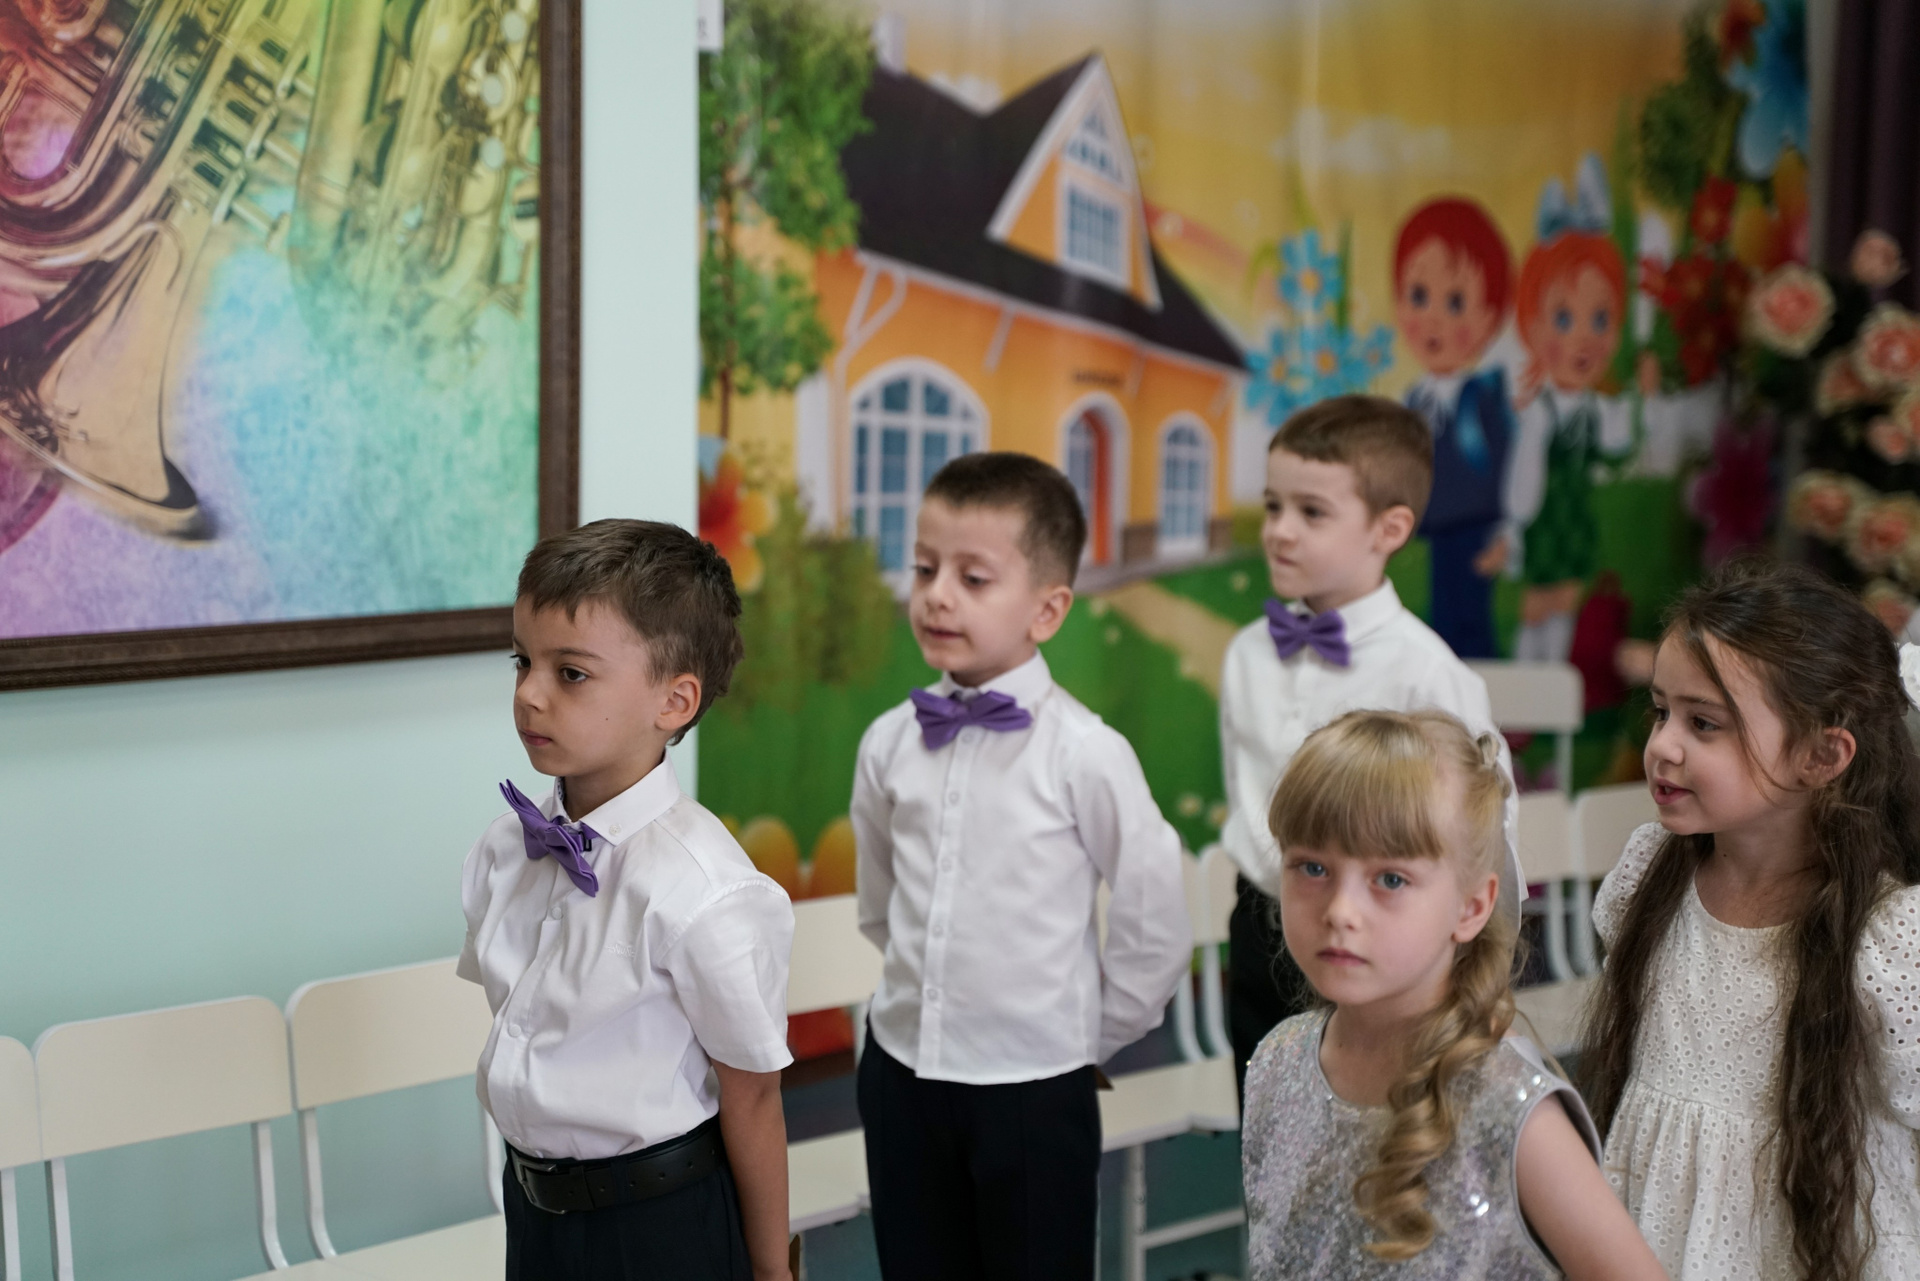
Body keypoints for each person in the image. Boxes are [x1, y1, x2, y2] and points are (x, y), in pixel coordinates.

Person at [851, 452, 1192, 1281]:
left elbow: (1153, 912)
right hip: (901, 1070)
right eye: (924, 568)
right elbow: (880, 900)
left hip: (1035, 1087)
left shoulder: (1086, 753)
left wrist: (1085, 1037)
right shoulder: (889, 741)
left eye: (973, 577)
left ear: (1047, 609)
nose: (937, 594)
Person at [457, 520, 794, 1281]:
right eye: (522, 660)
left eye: (571, 673)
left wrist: (772, 1271)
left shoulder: (706, 889)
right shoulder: (503, 851)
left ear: (674, 701)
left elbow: (753, 1097)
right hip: (533, 1209)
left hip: (659, 1225)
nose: (529, 694)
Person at [1581, 560, 1920, 1280]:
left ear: (1821, 754)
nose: (1662, 745)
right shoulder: (1651, 874)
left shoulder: (1889, 936)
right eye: (1661, 712)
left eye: (1704, 723)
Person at [1241, 709, 1667, 1279]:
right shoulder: (1276, 1062)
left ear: (1471, 907)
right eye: (1312, 868)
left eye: (1390, 879)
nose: (1340, 911)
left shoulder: (1510, 1108)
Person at [1219, 395, 1520, 1091]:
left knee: (1379, 1116)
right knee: (1265, 1111)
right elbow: (1247, 795)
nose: (1279, 531)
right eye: (1272, 507)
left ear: (1389, 529)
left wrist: (1477, 980)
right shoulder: (1245, 655)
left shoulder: (1428, 673)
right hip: (1261, 924)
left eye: (1311, 512)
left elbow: (1490, 835)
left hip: (1382, 937)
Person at [1505, 155, 1670, 666]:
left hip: (1575, 530)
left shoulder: (1597, 409)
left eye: (1599, 319)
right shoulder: (1538, 412)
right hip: (1544, 531)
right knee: (1534, 613)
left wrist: (1645, 397)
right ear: (1532, 324)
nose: (1583, 337)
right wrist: (1514, 531)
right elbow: (1524, 481)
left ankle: (1555, 708)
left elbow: (1621, 443)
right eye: (1563, 317)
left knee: (1563, 614)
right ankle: (1520, 704)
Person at [1394, 195, 1518, 660]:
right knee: (1440, 615)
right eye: (1419, 296)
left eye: (1456, 302)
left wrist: (1505, 531)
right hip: (1435, 528)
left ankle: (1485, 690)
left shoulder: (1482, 397)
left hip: (1475, 527)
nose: (1434, 318)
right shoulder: (1413, 400)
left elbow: (1505, 464)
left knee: (1472, 617)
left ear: (1489, 318)